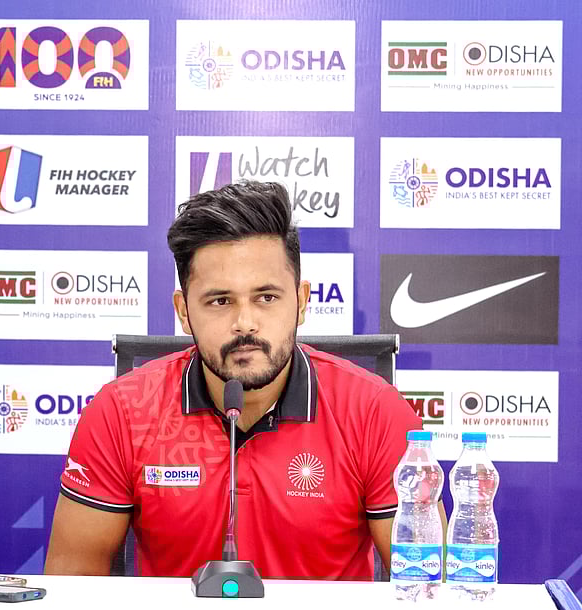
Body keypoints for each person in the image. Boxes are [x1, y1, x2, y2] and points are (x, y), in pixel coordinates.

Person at [45, 181, 430, 579]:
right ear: (183, 310)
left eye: (266, 297)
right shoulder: (122, 412)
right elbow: (72, 590)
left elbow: (428, 592)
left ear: (301, 302)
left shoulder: (374, 412)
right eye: (220, 301)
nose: (244, 323)